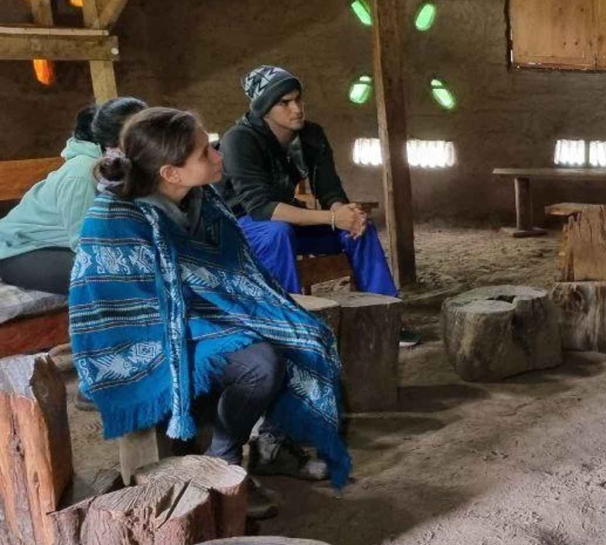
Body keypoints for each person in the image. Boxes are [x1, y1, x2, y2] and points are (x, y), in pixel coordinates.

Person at [69, 107, 352, 520]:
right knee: (260, 363)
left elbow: (232, 271)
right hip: (142, 339)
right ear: (171, 173)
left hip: (204, 316)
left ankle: (270, 446)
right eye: (205, 152)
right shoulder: (114, 217)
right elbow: (120, 310)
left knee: (304, 334)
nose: (218, 156)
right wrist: (216, 318)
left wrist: (246, 311)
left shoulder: (204, 199)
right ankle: (224, 462)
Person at [216, 65, 415, 346]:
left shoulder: (311, 135)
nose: (296, 109)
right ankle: (289, 325)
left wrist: (343, 213)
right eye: (285, 103)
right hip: (241, 226)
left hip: (285, 220)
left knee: (359, 228)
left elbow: (329, 188)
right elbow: (260, 208)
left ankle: (385, 318)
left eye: (298, 99)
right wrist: (332, 218)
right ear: (264, 109)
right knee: (277, 232)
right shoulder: (239, 140)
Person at [0, 97, 147, 294]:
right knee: (107, 277)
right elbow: (84, 241)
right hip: (19, 250)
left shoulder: (119, 165)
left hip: (58, 245)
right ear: (113, 139)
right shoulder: (82, 173)